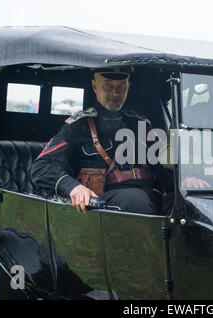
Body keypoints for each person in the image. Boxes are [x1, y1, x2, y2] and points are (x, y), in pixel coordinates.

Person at [31, 67, 171, 214]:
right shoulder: (79, 125)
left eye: (121, 86)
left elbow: (163, 166)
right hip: (103, 205)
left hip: (149, 198)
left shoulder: (141, 124)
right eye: (108, 86)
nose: (115, 93)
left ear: (128, 86)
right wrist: (73, 187)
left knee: (184, 203)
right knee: (136, 199)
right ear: (95, 86)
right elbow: (41, 166)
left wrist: (187, 180)